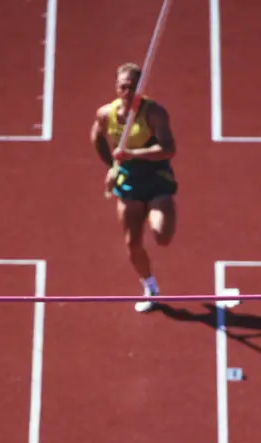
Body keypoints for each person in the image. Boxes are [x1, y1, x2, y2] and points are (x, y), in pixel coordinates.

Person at [90, 62, 178, 312]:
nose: (127, 92)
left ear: (141, 87)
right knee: (132, 243)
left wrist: (132, 154)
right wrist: (111, 165)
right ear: (116, 87)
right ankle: (150, 287)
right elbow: (96, 136)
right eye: (123, 87)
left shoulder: (154, 112)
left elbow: (169, 148)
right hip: (128, 182)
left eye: (132, 87)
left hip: (156, 179)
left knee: (161, 235)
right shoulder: (106, 113)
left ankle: (160, 211)